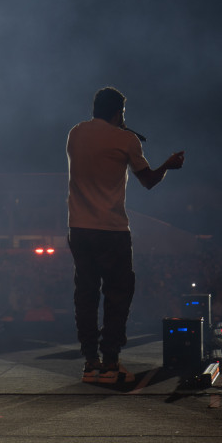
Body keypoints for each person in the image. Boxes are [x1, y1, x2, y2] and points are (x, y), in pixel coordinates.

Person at [66, 86, 185, 383]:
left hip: (79, 228)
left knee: (86, 294)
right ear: (118, 112)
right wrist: (168, 165)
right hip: (111, 229)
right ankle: (110, 362)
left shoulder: (75, 133)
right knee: (118, 294)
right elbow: (149, 180)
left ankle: (90, 362)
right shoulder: (126, 140)